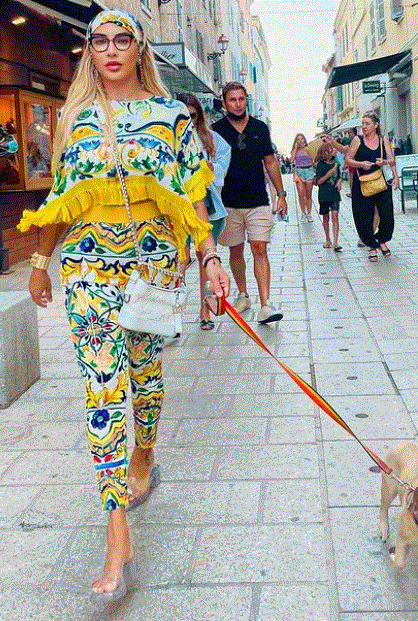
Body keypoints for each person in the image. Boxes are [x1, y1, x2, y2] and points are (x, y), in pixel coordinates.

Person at [17, 9, 230, 605]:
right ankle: (116, 533)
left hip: (153, 268)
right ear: (91, 51)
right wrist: (40, 261)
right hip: (87, 269)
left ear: (139, 49)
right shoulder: (76, 118)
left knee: (145, 375)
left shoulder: (171, 116)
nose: (110, 49)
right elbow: (61, 196)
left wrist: (210, 257)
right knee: (102, 389)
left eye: (122, 39)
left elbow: (192, 193)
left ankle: (145, 451)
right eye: (100, 41)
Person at [212, 81, 287, 324]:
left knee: (260, 248)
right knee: (235, 250)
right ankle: (243, 294)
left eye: (241, 99)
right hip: (228, 202)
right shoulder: (215, 130)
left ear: (246, 100)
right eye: (232, 100)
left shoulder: (259, 128)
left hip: (258, 200)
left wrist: (281, 194)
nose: (237, 104)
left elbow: (271, 162)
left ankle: (266, 304)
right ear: (224, 103)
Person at [176, 92, 231, 330]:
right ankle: (170, 315)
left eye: (193, 115)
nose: (189, 120)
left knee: (205, 258)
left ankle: (204, 310)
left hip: (205, 203)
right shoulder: (165, 136)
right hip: (175, 205)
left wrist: (211, 168)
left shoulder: (210, 137)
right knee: (177, 259)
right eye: (183, 115)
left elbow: (224, 161)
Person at [345, 112, 399, 261]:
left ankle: (381, 240)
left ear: (376, 125)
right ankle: (372, 247)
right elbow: (348, 159)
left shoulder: (383, 139)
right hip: (362, 183)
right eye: (363, 123)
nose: (364, 126)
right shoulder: (357, 140)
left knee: (387, 215)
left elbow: (391, 160)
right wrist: (360, 164)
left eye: (367, 124)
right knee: (364, 217)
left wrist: (393, 174)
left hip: (381, 182)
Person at [315, 142, 342, 251]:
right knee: (325, 217)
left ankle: (336, 242)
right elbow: (318, 181)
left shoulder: (336, 163)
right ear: (325, 152)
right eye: (331, 149)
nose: (334, 151)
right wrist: (329, 174)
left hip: (334, 193)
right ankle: (327, 239)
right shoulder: (320, 165)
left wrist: (339, 181)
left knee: (335, 217)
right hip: (324, 194)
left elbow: (339, 176)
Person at [290, 133, 315, 222]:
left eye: (302, 139)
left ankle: (309, 213)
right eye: (298, 139)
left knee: (308, 194)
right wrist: (295, 148)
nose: (300, 141)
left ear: (304, 139)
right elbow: (291, 160)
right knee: (300, 194)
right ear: (296, 141)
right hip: (299, 172)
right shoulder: (295, 150)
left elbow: (314, 159)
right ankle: (303, 213)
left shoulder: (308, 149)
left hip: (309, 171)